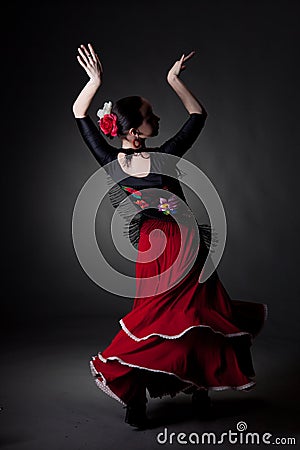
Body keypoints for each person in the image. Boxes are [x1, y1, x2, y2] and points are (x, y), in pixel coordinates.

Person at [72, 43, 268, 428]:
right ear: (133, 131)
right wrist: (101, 83)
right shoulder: (139, 158)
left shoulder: (139, 158)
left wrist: (167, 80)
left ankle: (183, 391)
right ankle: (146, 396)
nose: (157, 118)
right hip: (167, 248)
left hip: (177, 248)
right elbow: (81, 113)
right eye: (150, 115)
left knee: (187, 318)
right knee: (173, 319)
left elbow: (196, 114)